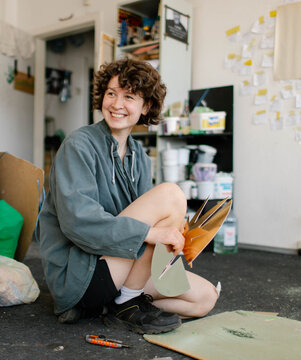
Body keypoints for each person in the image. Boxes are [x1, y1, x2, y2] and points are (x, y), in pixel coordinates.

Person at [36, 58, 219, 335]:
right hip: (81, 274)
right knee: (171, 194)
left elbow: (148, 235)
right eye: (111, 93)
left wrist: (175, 237)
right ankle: (128, 302)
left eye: (129, 96)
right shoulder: (78, 145)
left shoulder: (141, 158)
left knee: (204, 298)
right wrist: (151, 233)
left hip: (123, 267)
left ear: (146, 107)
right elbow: (78, 223)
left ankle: (119, 302)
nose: (116, 104)